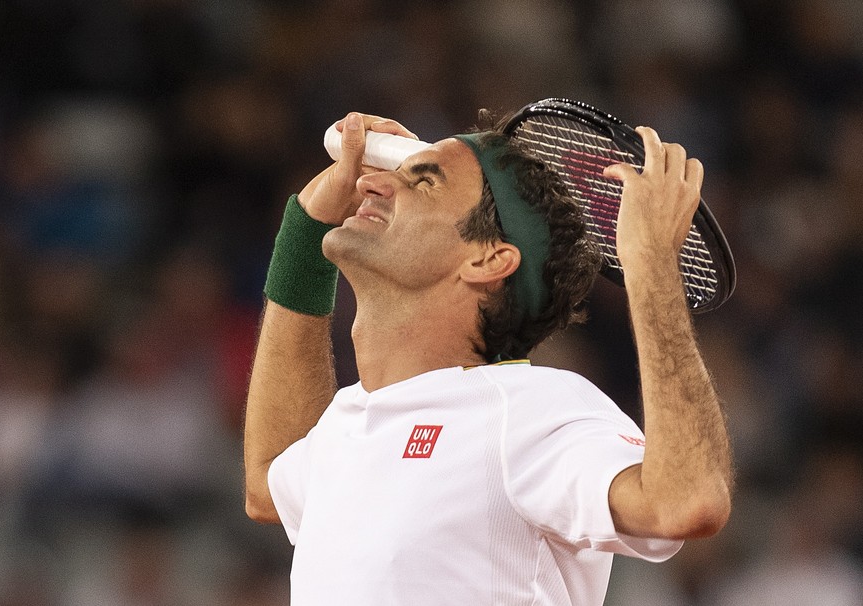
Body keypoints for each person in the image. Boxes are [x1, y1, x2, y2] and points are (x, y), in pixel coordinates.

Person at [243, 110, 733, 605]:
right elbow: (267, 485)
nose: (374, 184)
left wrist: (651, 266)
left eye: (424, 184)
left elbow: (684, 502)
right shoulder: (349, 418)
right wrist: (303, 237)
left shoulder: (527, 407)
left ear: (488, 260)